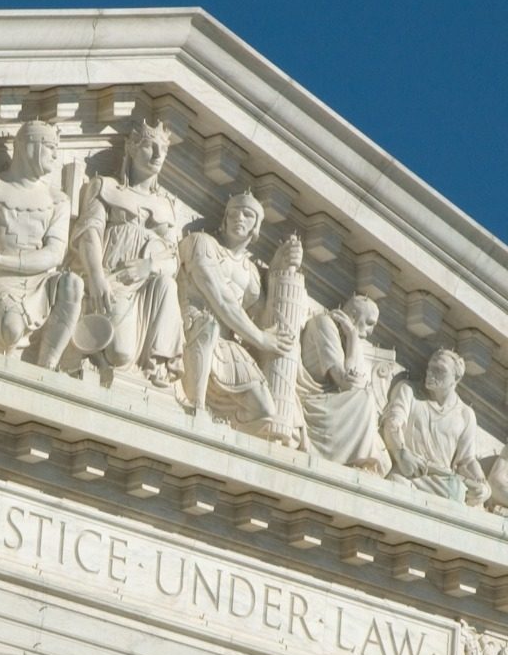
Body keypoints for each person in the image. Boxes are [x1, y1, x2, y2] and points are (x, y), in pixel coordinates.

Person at [72, 119, 183, 384]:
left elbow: (173, 260)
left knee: (169, 284)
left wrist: (150, 267)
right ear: (131, 148)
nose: (158, 155)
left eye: (163, 150)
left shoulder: (166, 205)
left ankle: (156, 366)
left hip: (148, 283)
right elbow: (89, 234)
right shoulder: (105, 187)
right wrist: (96, 276)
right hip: (113, 280)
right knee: (120, 353)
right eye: (149, 146)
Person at [177, 190, 296, 432]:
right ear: (224, 218)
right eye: (233, 213)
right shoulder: (202, 243)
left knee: (265, 409)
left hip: (227, 341)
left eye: (247, 215)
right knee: (208, 326)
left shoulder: (251, 273)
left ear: (256, 227)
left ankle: (223, 431)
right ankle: (195, 408)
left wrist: (281, 270)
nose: (239, 218)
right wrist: (261, 339)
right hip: (192, 324)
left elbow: (264, 318)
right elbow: (219, 296)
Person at [0, 121, 82, 369]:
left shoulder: (57, 200)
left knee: (72, 284)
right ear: (28, 147)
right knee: (11, 329)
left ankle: (46, 366)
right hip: (1, 281)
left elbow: (55, 254)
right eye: (50, 147)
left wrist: (3, 260)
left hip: (38, 280)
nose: (56, 155)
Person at [381, 348, 490, 505]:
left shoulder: (466, 414)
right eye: (430, 367)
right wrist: (400, 453)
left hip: (442, 481)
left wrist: (483, 485)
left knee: (457, 494)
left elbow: (467, 460)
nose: (430, 373)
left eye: (439, 370)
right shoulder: (408, 391)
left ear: (456, 378)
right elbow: (392, 424)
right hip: (410, 472)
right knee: (396, 484)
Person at [298, 295, 388, 472]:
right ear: (353, 316)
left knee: (385, 461)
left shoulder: (348, 339)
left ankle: (355, 460)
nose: (371, 331)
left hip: (334, 404)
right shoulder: (324, 323)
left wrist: (352, 338)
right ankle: (353, 459)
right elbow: (346, 382)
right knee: (365, 400)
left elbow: (357, 381)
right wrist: (353, 336)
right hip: (314, 401)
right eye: (369, 323)